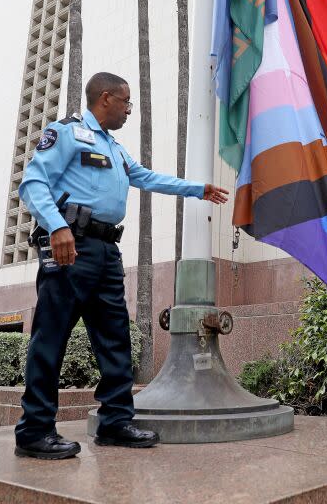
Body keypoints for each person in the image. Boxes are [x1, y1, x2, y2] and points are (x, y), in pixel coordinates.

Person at [15, 72, 229, 459]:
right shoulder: (67, 133)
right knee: (50, 340)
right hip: (69, 246)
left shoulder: (114, 148)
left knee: (116, 338)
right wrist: (57, 226)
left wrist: (197, 189)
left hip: (106, 252)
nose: (130, 109)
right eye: (127, 101)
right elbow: (32, 183)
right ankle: (34, 431)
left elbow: (145, 177)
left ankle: (115, 420)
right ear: (106, 98)